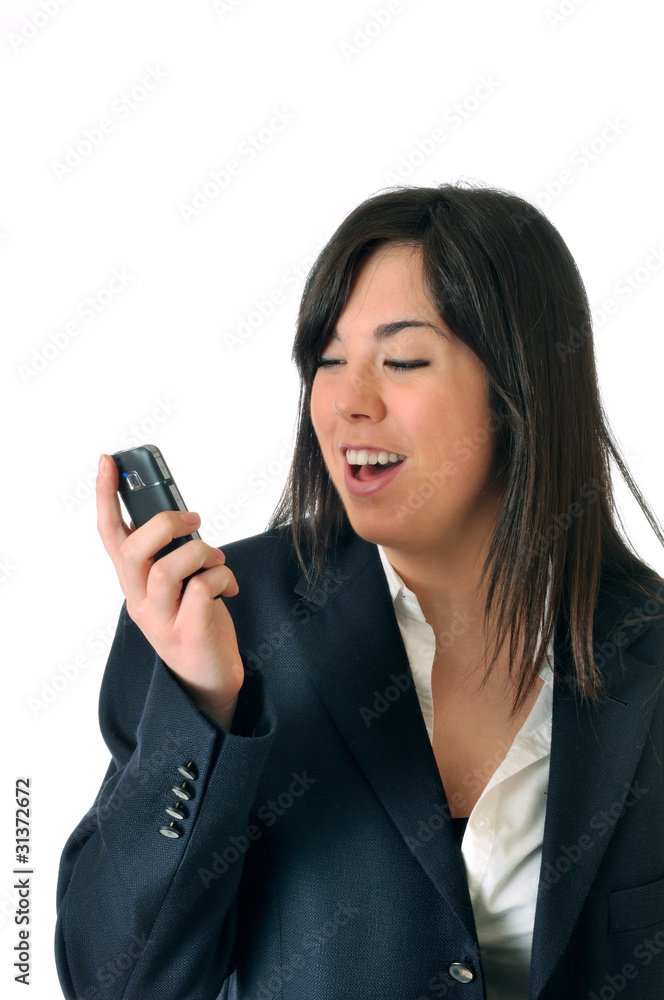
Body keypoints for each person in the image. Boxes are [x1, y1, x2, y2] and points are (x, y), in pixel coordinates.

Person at [55, 184, 664, 1000]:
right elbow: (116, 984)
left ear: (521, 389)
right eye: (328, 361)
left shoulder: (647, 647)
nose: (348, 402)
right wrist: (206, 708)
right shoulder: (215, 622)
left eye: (403, 360)